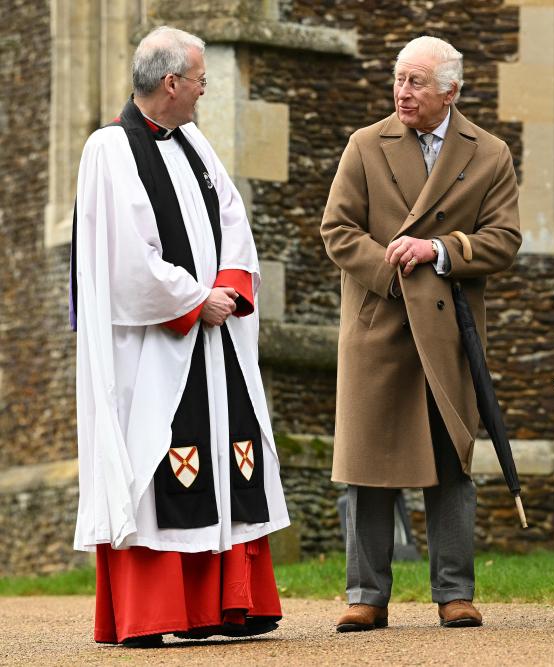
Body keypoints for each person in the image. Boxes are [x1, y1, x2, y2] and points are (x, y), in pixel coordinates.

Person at [71, 26, 289, 646]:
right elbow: (124, 263)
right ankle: (156, 613)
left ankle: (224, 606)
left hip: (213, 344)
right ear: (171, 83)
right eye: (198, 80)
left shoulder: (195, 142)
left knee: (227, 458)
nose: (203, 90)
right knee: (157, 465)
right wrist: (197, 300)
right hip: (153, 349)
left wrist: (226, 288)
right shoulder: (110, 151)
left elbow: (232, 219)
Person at [320, 35, 521, 632]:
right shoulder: (365, 145)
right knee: (368, 464)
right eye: (399, 80)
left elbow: (503, 240)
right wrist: (391, 266)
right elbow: (337, 229)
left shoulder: (488, 153)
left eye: (415, 83)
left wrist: (438, 249)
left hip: (447, 330)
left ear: (449, 92)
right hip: (378, 322)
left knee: (452, 460)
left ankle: (455, 592)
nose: (402, 93)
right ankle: (366, 593)